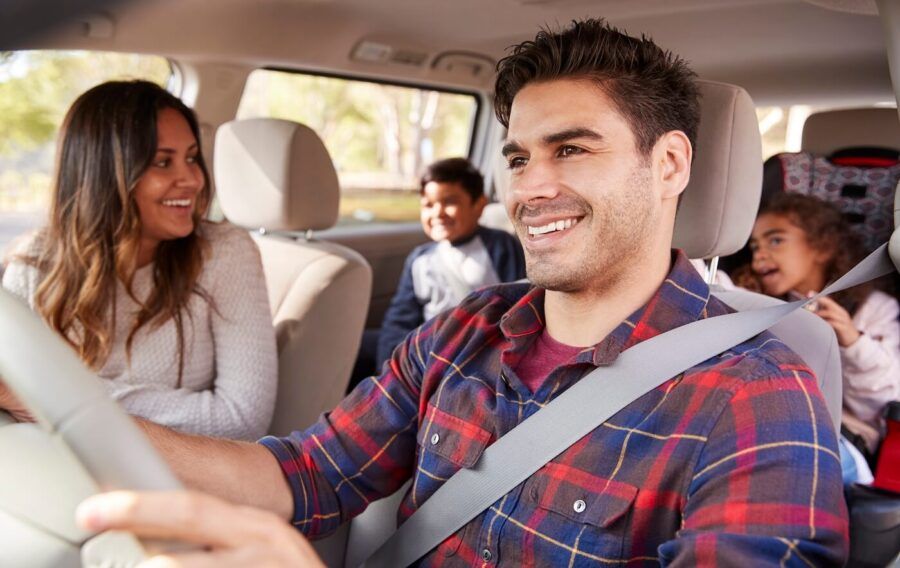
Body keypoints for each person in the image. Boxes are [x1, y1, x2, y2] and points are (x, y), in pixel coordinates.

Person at [69, 20, 847, 565]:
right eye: (518, 157)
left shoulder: (755, 396)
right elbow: (304, 475)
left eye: (572, 149)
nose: (531, 190)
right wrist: (67, 408)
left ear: (670, 165)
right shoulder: (465, 332)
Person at [0, 80, 278, 441]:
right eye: (163, 162)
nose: (192, 179)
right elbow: (11, 401)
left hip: (179, 483)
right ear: (103, 176)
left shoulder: (223, 253)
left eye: (192, 158)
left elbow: (242, 418)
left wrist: (63, 399)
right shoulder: (34, 266)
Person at [739, 193, 900, 457]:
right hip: (771, 420)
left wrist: (852, 340)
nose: (760, 257)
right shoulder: (761, 304)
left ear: (822, 247)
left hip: (844, 437)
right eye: (755, 247)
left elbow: (882, 402)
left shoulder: (873, 308)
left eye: (776, 241)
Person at [375, 157, 526, 368]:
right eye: (428, 204)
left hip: (479, 349)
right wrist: (389, 365)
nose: (437, 213)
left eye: (450, 202)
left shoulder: (499, 245)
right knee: (355, 343)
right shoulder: (419, 259)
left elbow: (519, 305)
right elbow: (399, 320)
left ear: (479, 205)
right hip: (428, 350)